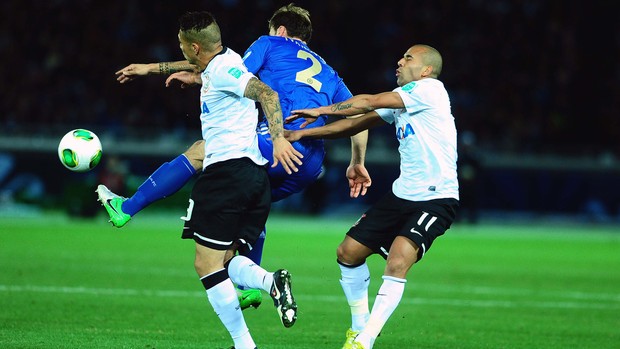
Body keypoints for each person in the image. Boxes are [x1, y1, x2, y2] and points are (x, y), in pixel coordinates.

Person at [97, 4, 371, 309]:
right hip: (310, 163)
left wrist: (152, 69)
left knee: (203, 150)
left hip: (279, 141)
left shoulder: (270, 43)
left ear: (279, 30)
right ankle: (248, 284)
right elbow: (361, 112)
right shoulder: (328, 70)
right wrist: (357, 162)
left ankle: (127, 207)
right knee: (254, 196)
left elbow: (226, 69)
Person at [135, 11, 298, 349]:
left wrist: (279, 137)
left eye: (182, 45)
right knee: (226, 260)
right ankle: (271, 283)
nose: (180, 51)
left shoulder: (224, 70)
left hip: (226, 174)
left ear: (194, 47)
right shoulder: (222, 61)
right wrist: (149, 69)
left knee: (205, 263)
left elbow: (267, 94)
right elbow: (197, 69)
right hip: (254, 177)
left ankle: (244, 343)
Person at [285, 44, 459, 349]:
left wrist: (321, 110)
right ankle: (358, 327)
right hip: (402, 195)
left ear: (426, 70)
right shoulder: (403, 101)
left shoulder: (430, 90)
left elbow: (368, 102)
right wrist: (303, 134)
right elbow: (354, 124)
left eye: (408, 58)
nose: (399, 61)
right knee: (347, 253)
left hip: (437, 197)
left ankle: (364, 342)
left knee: (398, 260)